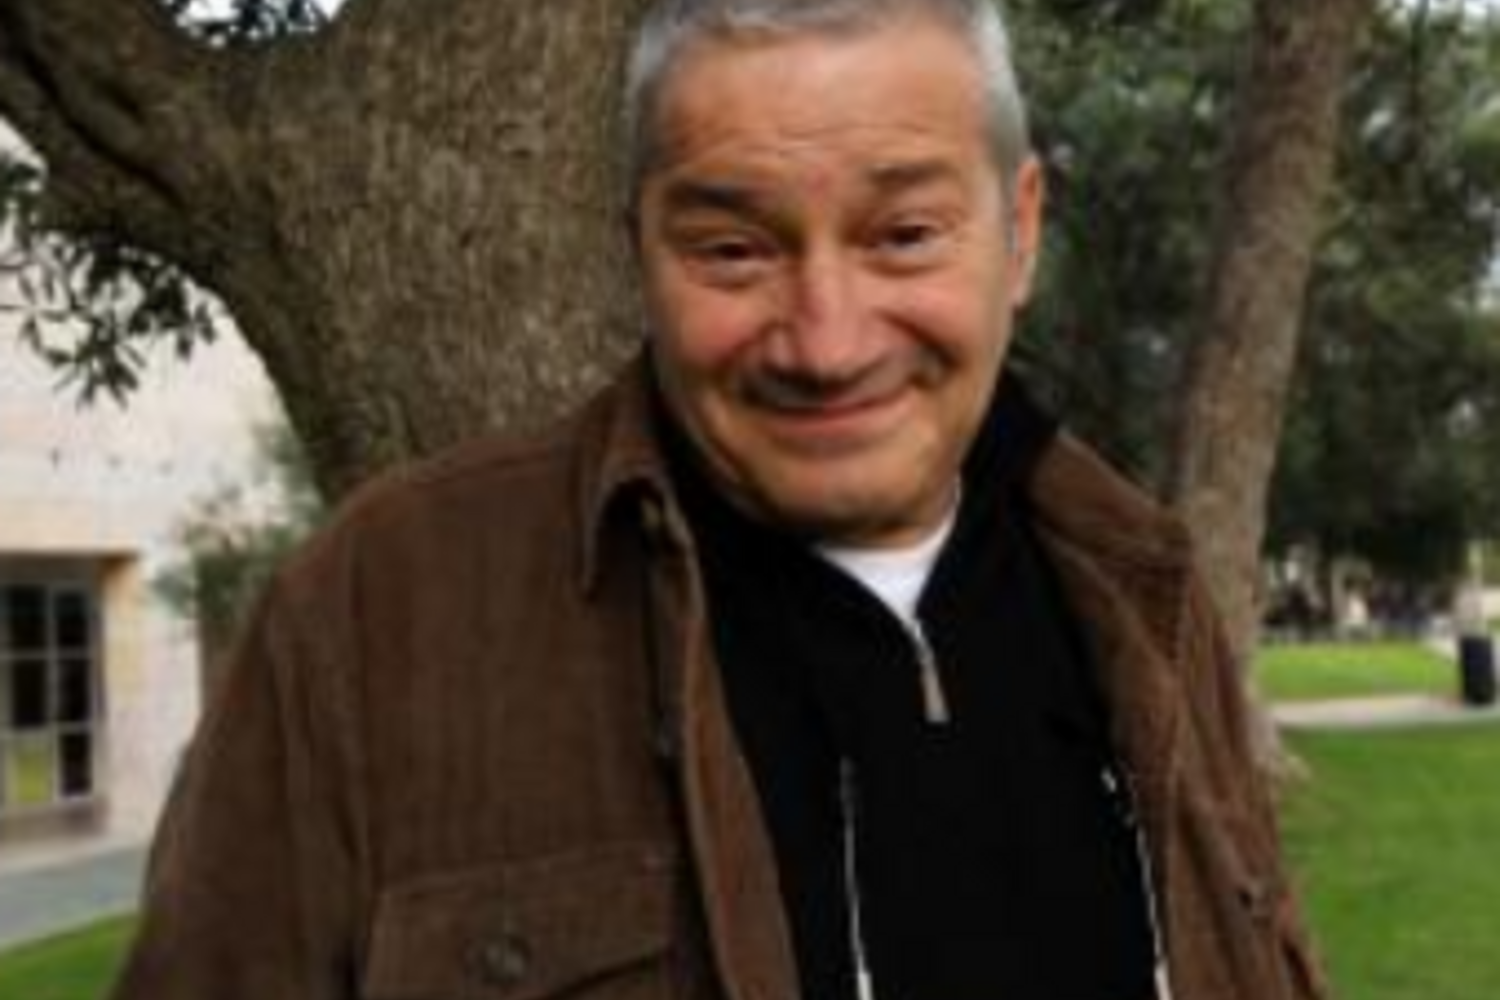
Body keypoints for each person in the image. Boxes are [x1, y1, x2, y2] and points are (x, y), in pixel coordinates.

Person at [110, 1, 1326, 998]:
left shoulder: (1138, 586)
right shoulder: (377, 614)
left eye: (904, 234)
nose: (827, 341)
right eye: (734, 250)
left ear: (1019, 233)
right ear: (636, 249)